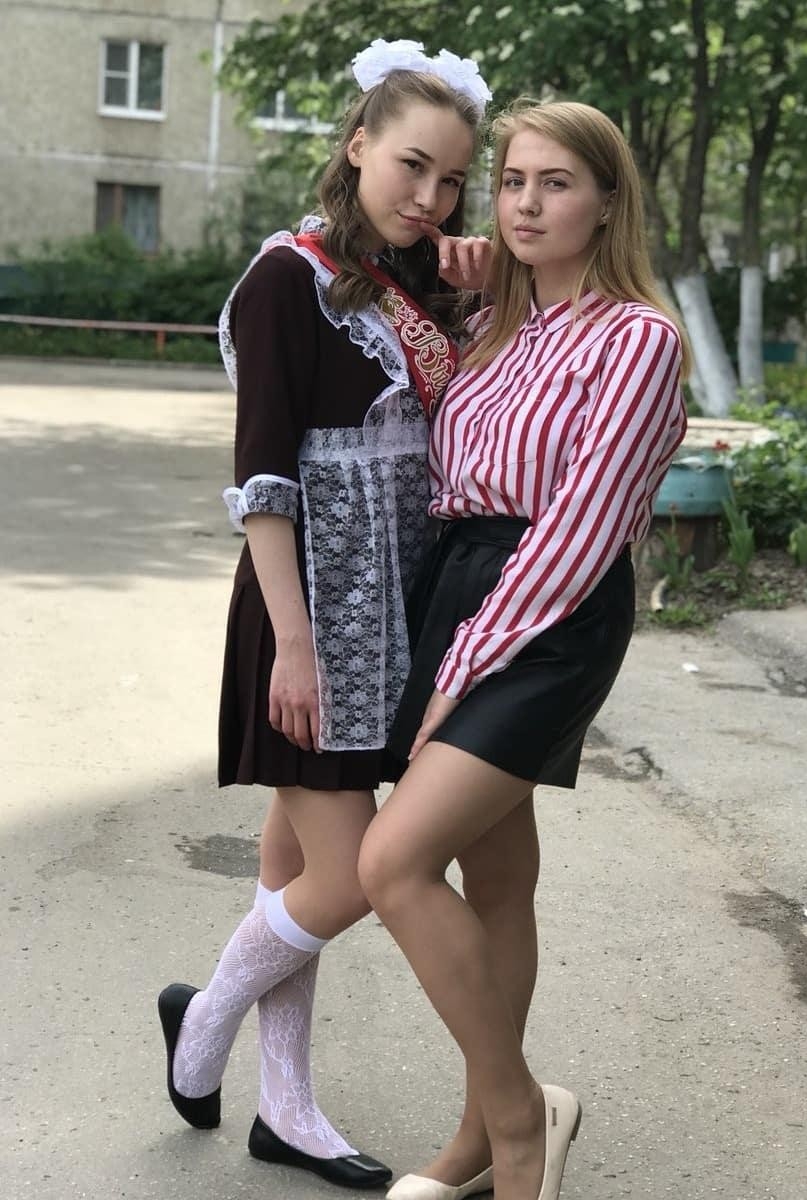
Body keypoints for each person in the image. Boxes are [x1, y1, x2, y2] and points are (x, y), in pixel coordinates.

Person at [157, 39, 492, 1189]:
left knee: (297, 860)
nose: (429, 195)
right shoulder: (283, 281)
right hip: (305, 619)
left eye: (452, 179)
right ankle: (203, 1023)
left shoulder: (431, 290)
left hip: (391, 616)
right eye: (411, 164)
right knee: (352, 878)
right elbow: (262, 478)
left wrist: (486, 290)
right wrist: (294, 649)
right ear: (355, 146)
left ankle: (285, 1106)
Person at [357, 100, 691, 1200]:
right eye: (511, 182)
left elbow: (581, 532)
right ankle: (476, 1139)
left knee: (393, 862)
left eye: (556, 183)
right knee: (498, 877)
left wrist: (462, 668)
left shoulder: (637, 340)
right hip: (457, 586)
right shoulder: (494, 324)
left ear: (607, 202)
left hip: (551, 613)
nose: (527, 203)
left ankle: (516, 1124)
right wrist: (462, 267)